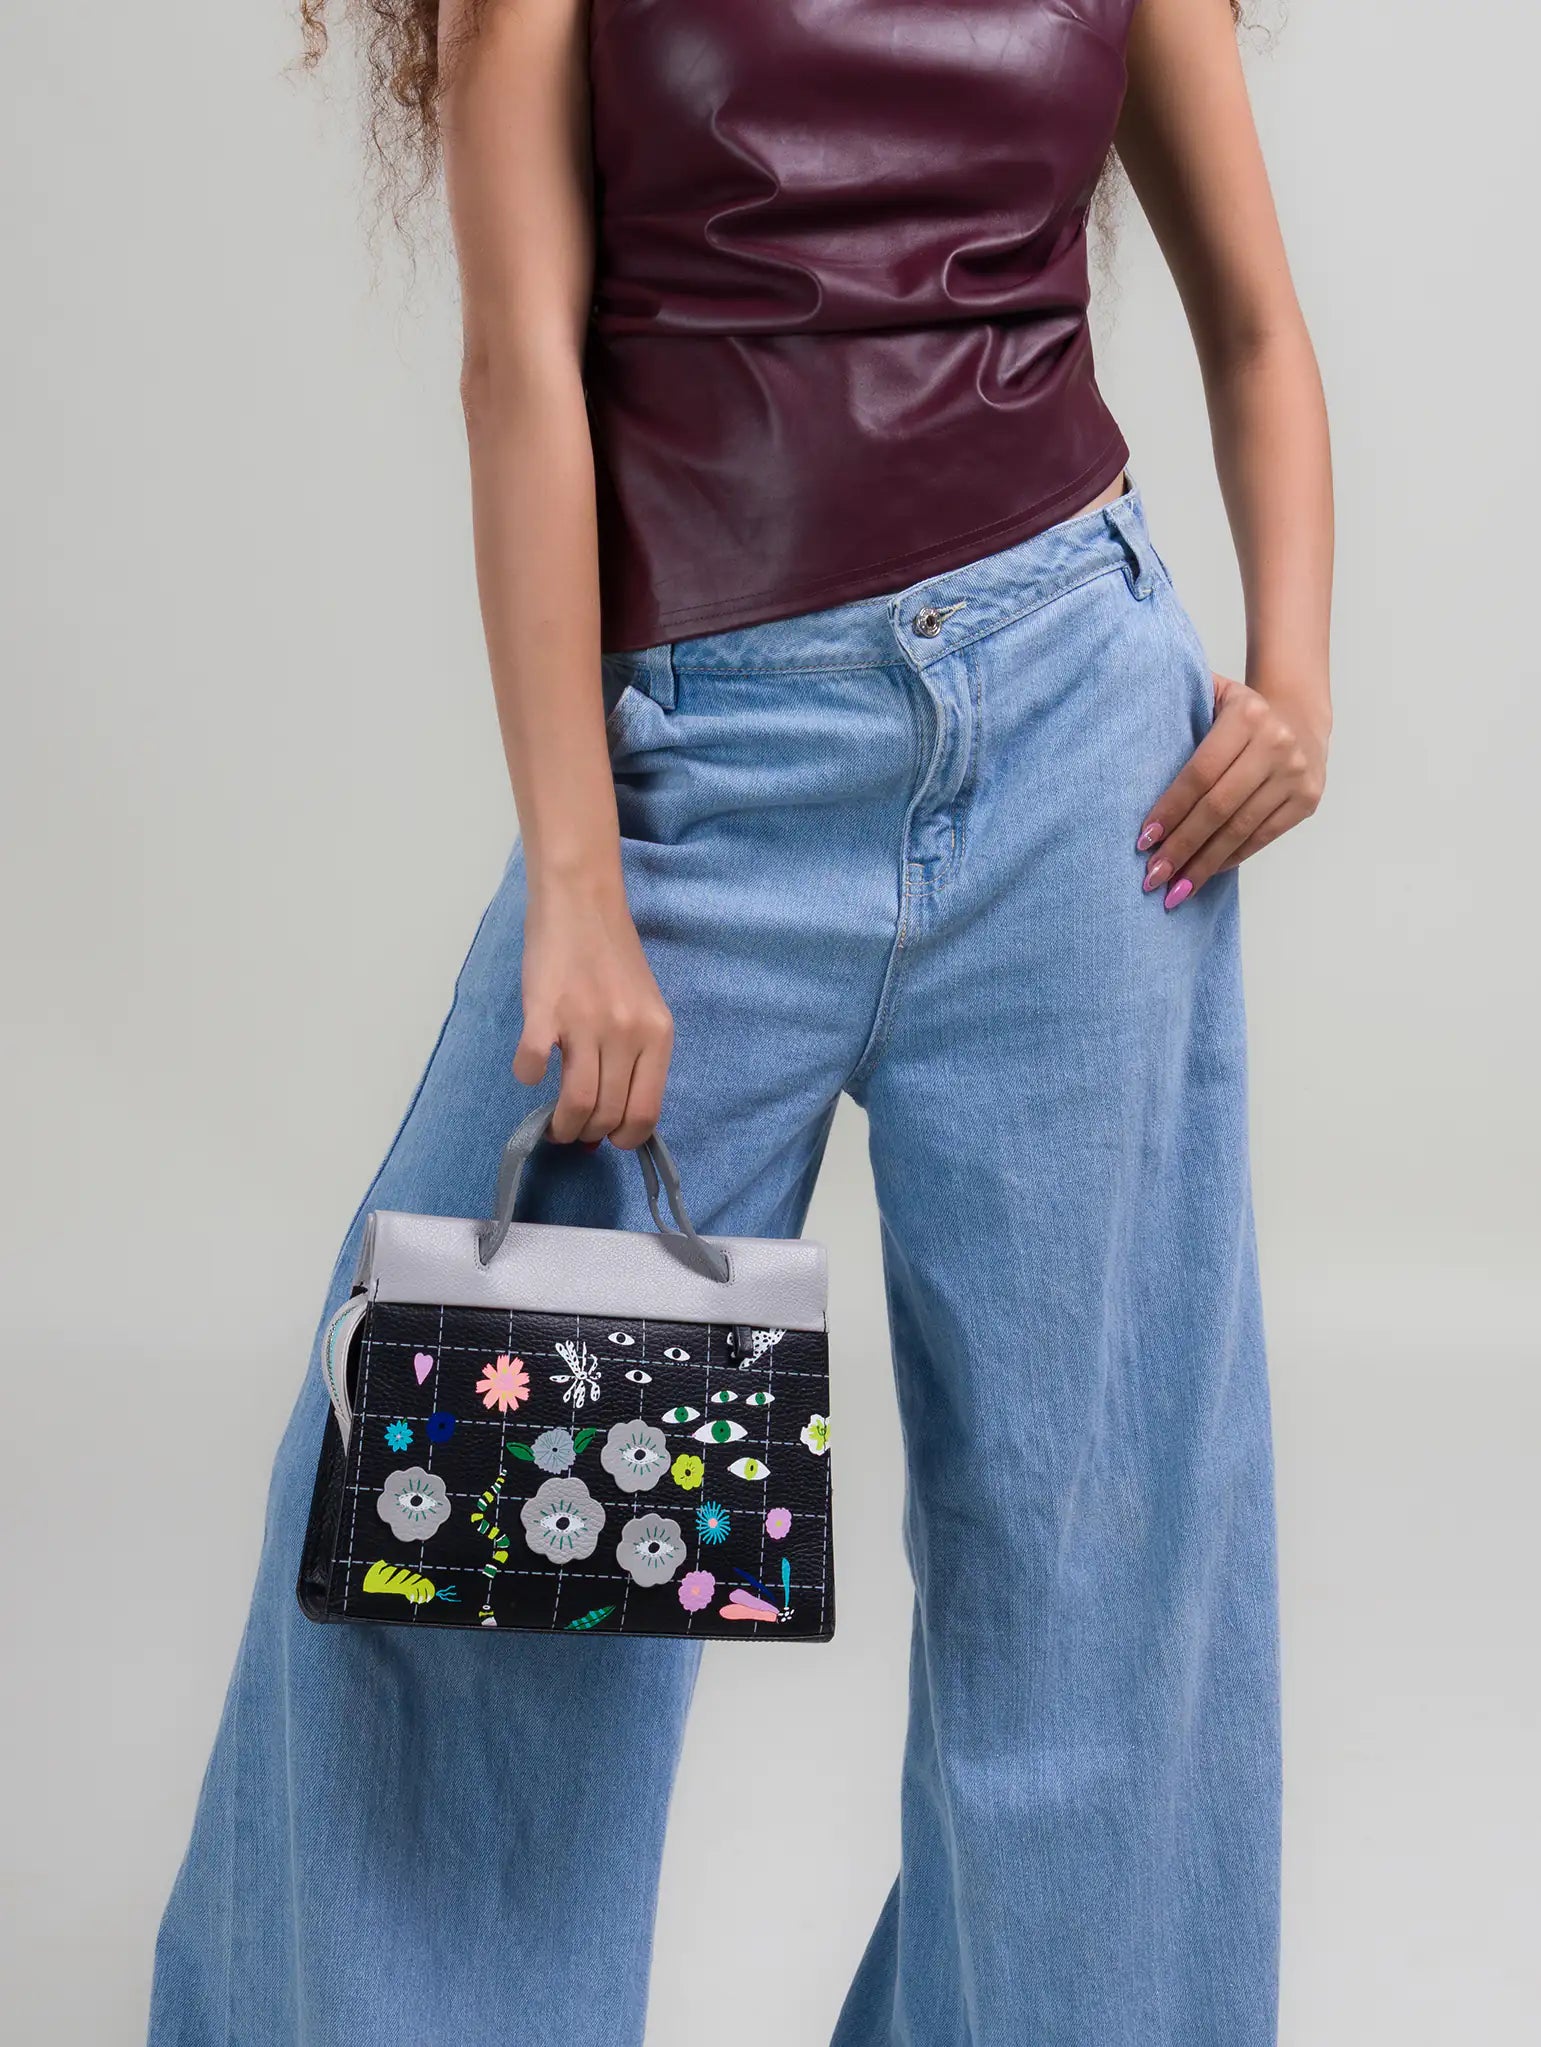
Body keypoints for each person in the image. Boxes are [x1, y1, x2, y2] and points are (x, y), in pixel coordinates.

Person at [150, 0, 1332, 2039]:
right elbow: (520, 370)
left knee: (1098, 1540)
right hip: (700, 777)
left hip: (1080, 754)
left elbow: (1249, 322)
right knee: (481, 1522)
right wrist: (583, 883)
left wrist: (1291, 677)